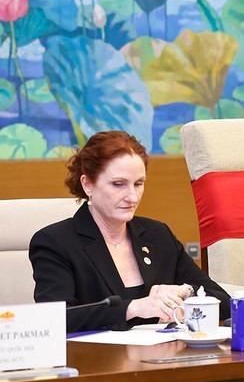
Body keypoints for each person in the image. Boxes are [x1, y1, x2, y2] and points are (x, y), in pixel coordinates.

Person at [30, 131, 230, 332]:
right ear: (88, 184)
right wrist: (132, 308)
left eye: (138, 184)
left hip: (161, 359)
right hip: (94, 360)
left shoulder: (158, 234)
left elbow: (224, 302)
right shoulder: (55, 242)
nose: (132, 197)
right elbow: (55, 318)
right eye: (119, 184)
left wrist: (186, 292)